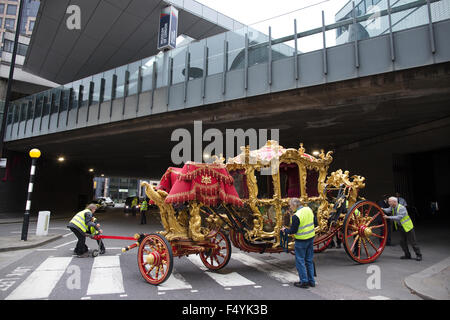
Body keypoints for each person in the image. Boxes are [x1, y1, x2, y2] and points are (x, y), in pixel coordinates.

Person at [281, 198, 315, 288]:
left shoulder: (296, 216)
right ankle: (312, 281)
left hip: (301, 240)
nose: (290, 207)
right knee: (309, 260)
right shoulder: (309, 209)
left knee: (300, 261)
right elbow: (314, 222)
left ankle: (304, 281)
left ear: (295, 205)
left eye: (290, 206)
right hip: (311, 238)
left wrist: (285, 230)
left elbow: (293, 231)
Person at [381, 197, 422, 261]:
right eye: (389, 201)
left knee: (413, 242)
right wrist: (382, 209)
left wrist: (388, 217)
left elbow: (399, 217)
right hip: (401, 227)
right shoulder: (392, 207)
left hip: (407, 227)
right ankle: (407, 255)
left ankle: (418, 255)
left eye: (390, 202)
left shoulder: (402, 208)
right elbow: (387, 210)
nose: (388, 203)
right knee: (402, 242)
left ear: (394, 202)